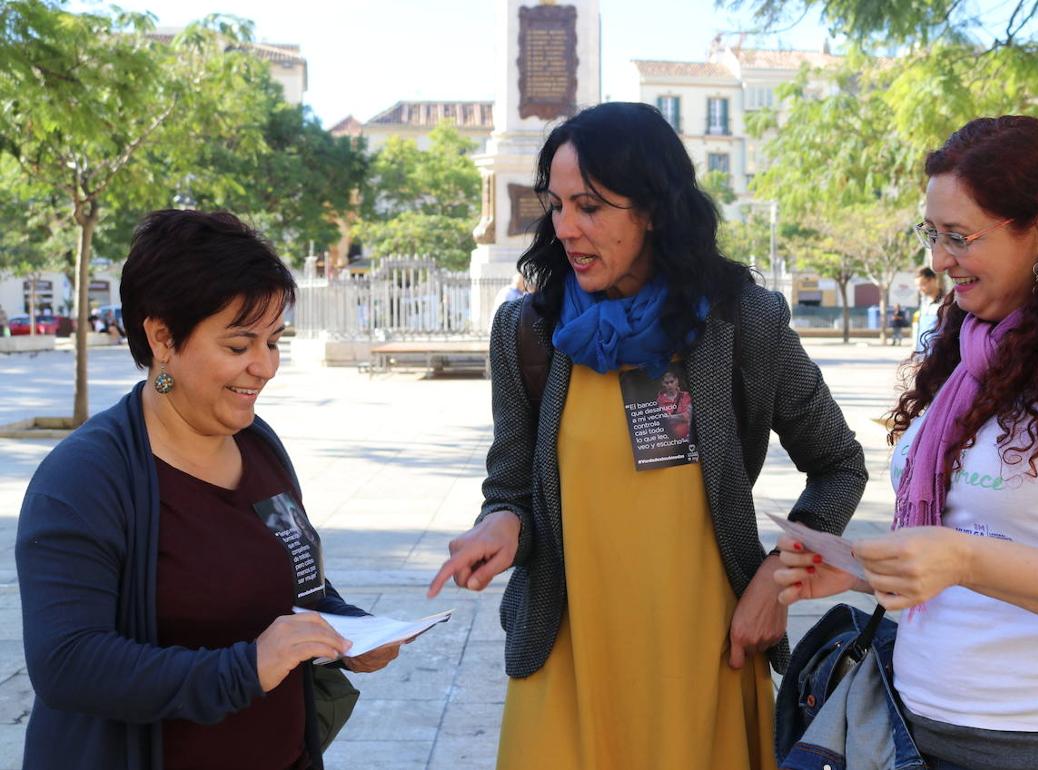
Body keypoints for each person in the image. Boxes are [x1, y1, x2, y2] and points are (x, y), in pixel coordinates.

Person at [427, 102, 868, 770]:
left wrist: (776, 578)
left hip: (705, 658)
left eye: (590, 206)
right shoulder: (528, 331)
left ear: (655, 209)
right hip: (566, 656)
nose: (565, 228)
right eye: (557, 205)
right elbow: (512, 488)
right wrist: (502, 525)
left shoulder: (743, 321)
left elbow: (838, 464)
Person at [775, 116, 1038, 770]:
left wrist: (964, 560)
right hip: (911, 730)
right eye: (932, 234)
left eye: (960, 236)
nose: (939, 260)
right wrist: (869, 573)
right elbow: (967, 544)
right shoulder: (967, 356)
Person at [17, 210, 403, 770]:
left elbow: (294, 579)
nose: (265, 366)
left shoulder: (259, 446)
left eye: (273, 341)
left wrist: (347, 632)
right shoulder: (84, 479)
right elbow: (68, 664)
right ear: (162, 337)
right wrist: (244, 670)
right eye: (239, 345)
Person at [913, 266, 944, 355]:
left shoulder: (946, 303)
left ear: (933, 280)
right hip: (921, 354)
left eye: (922, 284)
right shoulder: (923, 303)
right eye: (917, 286)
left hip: (938, 355)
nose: (919, 289)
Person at [656, 369, 693, 440]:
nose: (670, 385)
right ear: (663, 384)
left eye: (672, 382)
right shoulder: (660, 400)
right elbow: (666, 420)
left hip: (690, 437)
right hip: (673, 440)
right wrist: (681, 416)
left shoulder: (686, 396)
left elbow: (689, 416)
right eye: (667, 383)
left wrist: (674, 417)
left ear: (676, 381)